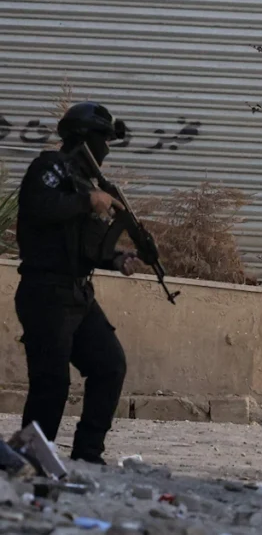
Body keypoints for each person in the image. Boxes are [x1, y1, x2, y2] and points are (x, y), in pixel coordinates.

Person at [15, 101, 145, 465]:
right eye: (104, 140)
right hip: (46, 292)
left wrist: (116, 258)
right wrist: (88, 200)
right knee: (51, 383)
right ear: (85, 138)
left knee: (109, 365)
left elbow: (86, 246)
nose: (106, 149)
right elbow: (40, 207)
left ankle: (88, 453)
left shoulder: (87, 183)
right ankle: (30, 460)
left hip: (78, 293)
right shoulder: (49, 168)